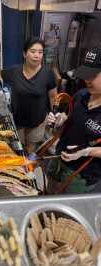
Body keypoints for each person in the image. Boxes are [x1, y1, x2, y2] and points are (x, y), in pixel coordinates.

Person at [0, 37, 57, 153]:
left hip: (38, 122)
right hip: (18, 120)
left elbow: (52, 95)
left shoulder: (47, 74)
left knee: (31, 149)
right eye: (33, 51)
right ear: (25, 54)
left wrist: (52, 113)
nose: (37, 55)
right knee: (18, 148)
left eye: (40, 52)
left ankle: (29, 166)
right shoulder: (15, 72)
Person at [47, 46, 101, 193]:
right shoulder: (82, 94)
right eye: (85, 75)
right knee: (48, 193)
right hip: (58, 158)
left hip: (81, 175)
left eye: (93, 76)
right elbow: (69, 116)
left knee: (65, 211)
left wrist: (86, 151)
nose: (87, 80)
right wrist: (60, 119)